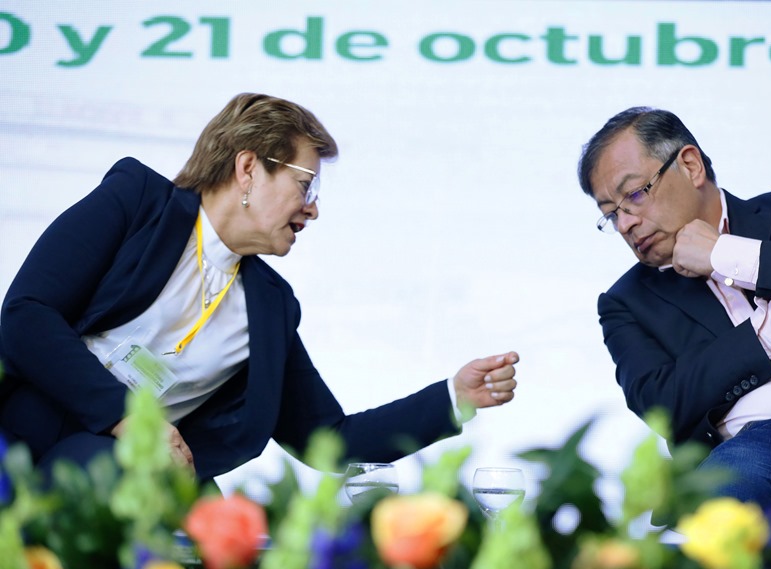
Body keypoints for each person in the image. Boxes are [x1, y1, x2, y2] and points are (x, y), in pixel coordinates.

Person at [0, 92, 519, 482]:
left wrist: (454, 397)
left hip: (130, 480)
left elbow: (327, 440)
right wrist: (130, 421)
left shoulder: (270, 306)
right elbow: (27, 314)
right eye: (305, 184)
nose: (313, 208)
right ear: (248, 167)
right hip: (28, 436)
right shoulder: (136, 202)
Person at [577, 106, 771, 531]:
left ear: (689, 165)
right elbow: (665, 405)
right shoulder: (627, 302)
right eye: (610, 213)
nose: (625, 223)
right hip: (757, 450)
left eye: (634, 194)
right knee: (723, 514)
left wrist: (724, 256)